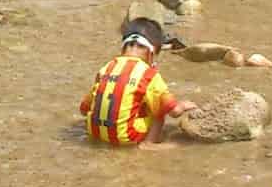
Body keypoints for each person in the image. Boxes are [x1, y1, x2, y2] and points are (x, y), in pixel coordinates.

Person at [78, 18, 198, 147]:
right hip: (127, 137)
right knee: (159, 110)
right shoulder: (148, 75)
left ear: (123, 48)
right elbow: (174, 112)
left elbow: (84, 109)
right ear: (152, 52)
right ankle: (149, 145)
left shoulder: (106, 68)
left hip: (94, 133)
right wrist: (183, 106)